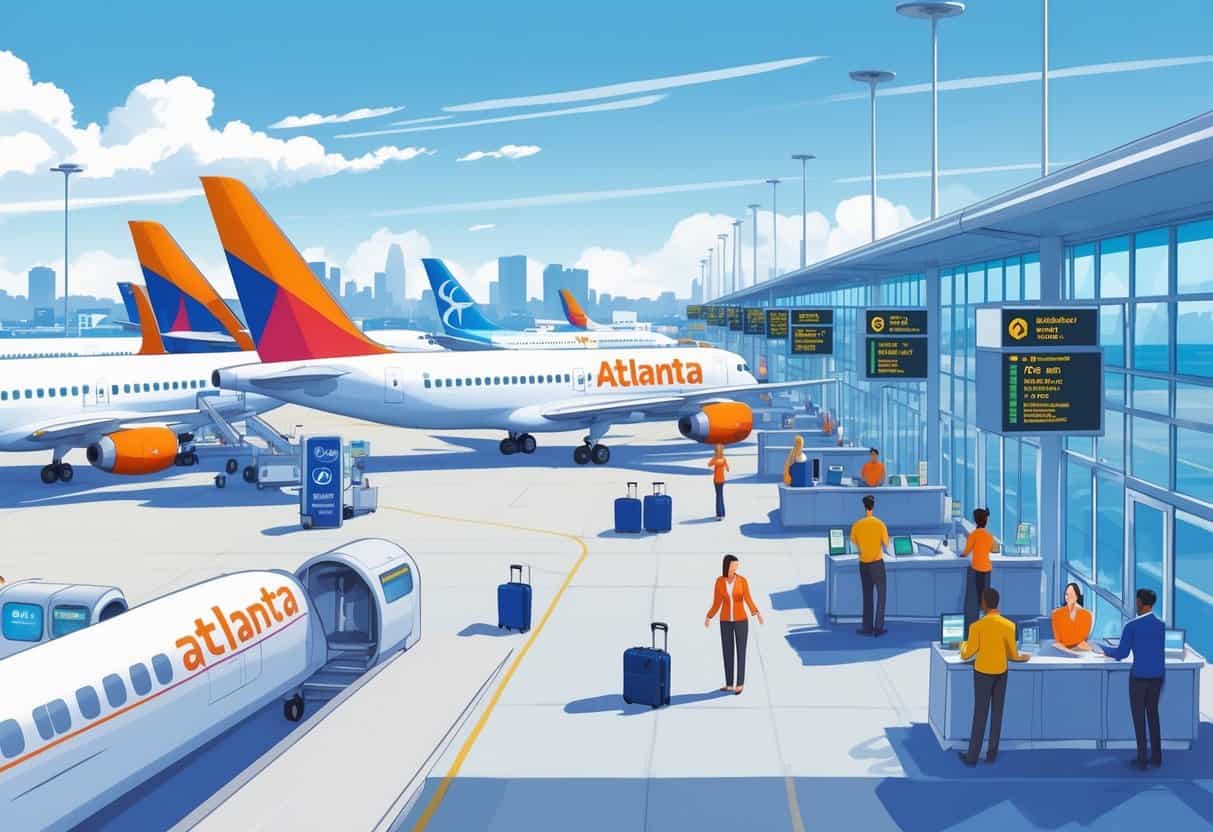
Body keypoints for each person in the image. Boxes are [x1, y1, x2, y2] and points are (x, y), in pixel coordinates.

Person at [958, 587, 1031, 766]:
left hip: (982, 674)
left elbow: (966, 654)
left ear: (984, 603)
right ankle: (991, 755)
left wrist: (962, 645)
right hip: (1001, 674)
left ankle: (972, 757)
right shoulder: (1009, 625)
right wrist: (1024, 657)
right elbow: (1013, 655)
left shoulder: (977, 627)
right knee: (997, 715)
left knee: (980, 714)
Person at [1101, 588, 1166, 769]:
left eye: (1137, 601)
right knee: (1153, 714)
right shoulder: (1160, 625)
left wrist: (1101, 648)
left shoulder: (1132, 626)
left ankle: (1142, 758)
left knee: (1139, 717)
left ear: (1140, 602)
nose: (1135, 604)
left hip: (1139, 677)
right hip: (1158, 676)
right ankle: (1157, 757)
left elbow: (1121, 653)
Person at [704, 554, 764, 694]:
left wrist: (756, 613)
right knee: (727, 652)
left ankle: (740, 684)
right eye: (734, 565)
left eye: (737, 565)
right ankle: (729, 684)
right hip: (725, 621)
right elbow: (717, 602)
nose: (736, 567)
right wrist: (709, 616)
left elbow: (748, 599)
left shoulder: (742, 581)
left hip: (741, 620)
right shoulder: (719, 582)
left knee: (741, 652)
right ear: (727, 565)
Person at [849, 495, 890, 636]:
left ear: (864, 506)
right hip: (877, 564)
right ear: (874, 506)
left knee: (867, 596)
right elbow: (886, 543)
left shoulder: (857, 525)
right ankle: (878, 627)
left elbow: (853, 541)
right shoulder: (880, 524)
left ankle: (867, 628)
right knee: (881, 595)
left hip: (863, 564)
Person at [961, 508, 998, 636]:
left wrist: (961, 554)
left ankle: (973, 629)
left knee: (974, 601)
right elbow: (993, 549)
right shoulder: (989, 535)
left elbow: (966, 551)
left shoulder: (973, 535)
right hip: (987, 570)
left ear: (975, 520)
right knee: (985, 600)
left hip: (976, 570)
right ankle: (986, 627)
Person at [1051, 582, 1094, 650]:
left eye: (1071, 594)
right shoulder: (1056, 614)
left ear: (1077, 596)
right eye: (1066, 594)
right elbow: (1058, 638)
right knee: (1056, 645)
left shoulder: (1087, 615)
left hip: (1080, 648)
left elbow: (1083, 638)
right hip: (1063, 648)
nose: (1068, 597)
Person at [707, 444, 729, 521]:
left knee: (718, 496)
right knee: (721, 495)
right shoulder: (723, 459)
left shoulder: (715, 459)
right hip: (722, 479)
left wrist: (714, 457)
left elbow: (709, 464)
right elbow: (727, 468)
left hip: (716, 479)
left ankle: (719, 514)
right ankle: (723, 513)